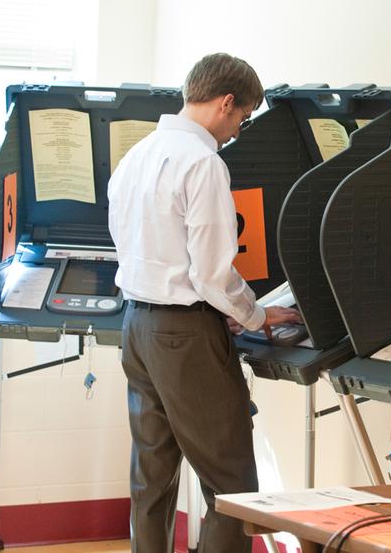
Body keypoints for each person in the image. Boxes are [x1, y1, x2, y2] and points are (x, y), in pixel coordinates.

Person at [107, 53, 301, 552]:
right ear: (226, 102)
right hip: (185, 336)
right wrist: (254, 315)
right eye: (241, 118)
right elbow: (211, 274)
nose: (238, 130)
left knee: (150, 480)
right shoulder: (203, 163)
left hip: (136, 328)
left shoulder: (137, 155)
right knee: (232, 488)